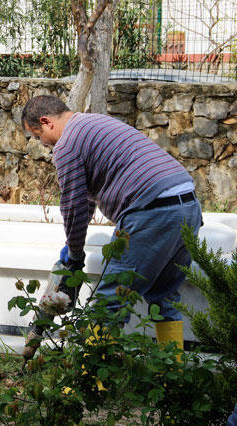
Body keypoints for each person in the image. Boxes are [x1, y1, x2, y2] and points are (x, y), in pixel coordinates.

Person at [20, 96, 202, 361]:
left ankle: (84, 385)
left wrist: (74, 257)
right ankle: (171, 377)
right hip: (187, 206)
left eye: (38, 136)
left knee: (109, 303)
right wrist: (73, 251)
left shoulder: (67, 145)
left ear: (46, 122)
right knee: (164, 297)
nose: (43, 144)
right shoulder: (95, 123)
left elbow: (74, 206)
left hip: (151, 210)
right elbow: (87, 200)